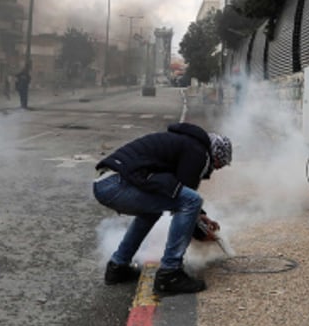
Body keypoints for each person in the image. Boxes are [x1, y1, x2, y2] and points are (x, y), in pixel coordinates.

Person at [93, 122, 233, 294]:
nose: (215, 169)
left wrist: (200, 217)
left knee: (152, 211)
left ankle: (118, 267)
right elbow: (186, 197)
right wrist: (201, 231)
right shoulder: (199, 153)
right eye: (219, 164)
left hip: (105, 183)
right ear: (215, 155)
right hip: (118, 186)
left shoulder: (184, 143)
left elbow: (175, 194)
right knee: (193, 201)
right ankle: (170, 274)